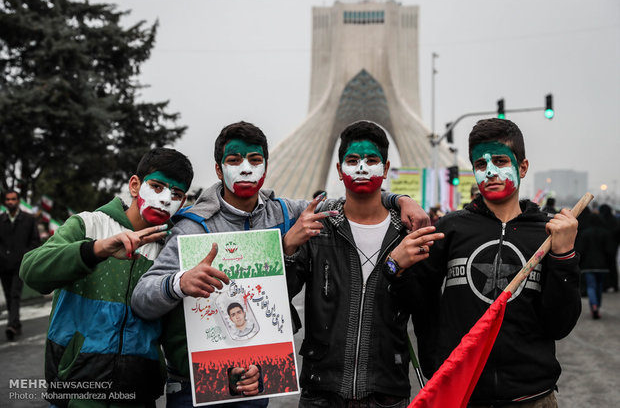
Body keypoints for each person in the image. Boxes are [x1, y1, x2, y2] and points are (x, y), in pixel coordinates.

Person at [130, 121, 429, 408]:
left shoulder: (285, 214)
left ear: (266, 166)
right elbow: (142, 299)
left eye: (255, 159)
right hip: (197, 386)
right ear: (219, 169)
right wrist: (178, 283)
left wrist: (401, 200)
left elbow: (354, 199)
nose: (246, 168)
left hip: (255, 381)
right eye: (234, 160)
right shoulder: (193, 228)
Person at [415, 118, 581, 407]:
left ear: (523, 167)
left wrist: (564, 256)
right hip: (462, 393)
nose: (490, 172)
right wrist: (436, 364)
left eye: (501, 161)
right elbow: (420, 303)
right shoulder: (451, 229)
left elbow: (560, 324)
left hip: (532, 396)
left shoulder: (545, 233)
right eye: (481, 165)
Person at [282, 120, 444, 407]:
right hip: (322, 391)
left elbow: (425, 312)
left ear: (385, 169)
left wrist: (397, 268)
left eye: (371, 160)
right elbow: (281, 296)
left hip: (385, 392)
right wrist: (288, 248)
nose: (361, 168)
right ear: (339, 169)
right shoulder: (318, 230)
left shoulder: (408, 234)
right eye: (353, 160)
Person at [20, 148, 193, 407]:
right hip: (74, 393)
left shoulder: (172, 251)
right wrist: (96, 249)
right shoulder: (88, 225)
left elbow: (178, 336)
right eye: (157, 187)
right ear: (135, 185)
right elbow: (32, 271)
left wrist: (223, 374)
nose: (166, 199)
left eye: (176, 194)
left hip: (138, 397)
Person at [0, 190, 40, 341]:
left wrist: (25, 255)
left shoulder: (29, 219)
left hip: (20, 264)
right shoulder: (1, 219)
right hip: (3, 265)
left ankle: (11, 325)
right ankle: (16, 323)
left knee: (15, 294)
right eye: (8, 199)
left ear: (18, 200)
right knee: (9, 296)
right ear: (5, 202)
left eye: (13, 199)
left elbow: (35, 241)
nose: (10, 202)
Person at [576, 213, 615, 318]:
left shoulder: (584, 234)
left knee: (591, 286)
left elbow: (580, 250)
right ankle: (598, 305)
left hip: (588, 266)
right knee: (599, 286)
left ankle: (593, 305)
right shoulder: (606, 233)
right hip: (602, 266)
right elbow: (610, 251)